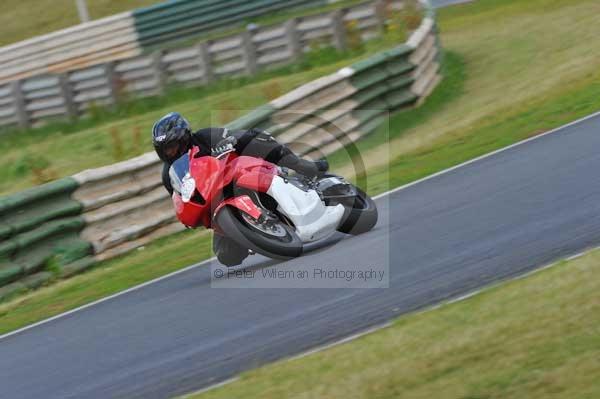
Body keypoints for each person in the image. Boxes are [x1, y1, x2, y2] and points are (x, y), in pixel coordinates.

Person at [151, 112, 328, 266]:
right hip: (217, 200)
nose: (170, 152)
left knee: (254, 138)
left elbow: (231, 137)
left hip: (242, 171)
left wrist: (229, 142)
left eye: (172, 146)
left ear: (184, 137)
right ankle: (254, 233)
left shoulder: (204, 137)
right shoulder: (169, 174)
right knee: (227, 256)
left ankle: (303, 167)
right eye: (165, 150)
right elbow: (183, 196)